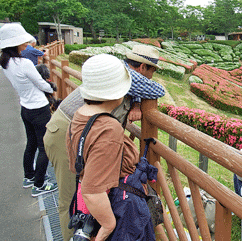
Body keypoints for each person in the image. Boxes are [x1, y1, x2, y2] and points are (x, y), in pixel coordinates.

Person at [43, 44, 165, 241]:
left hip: (77, 127)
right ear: (143, 67)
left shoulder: (108, 72)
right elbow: (158, 90)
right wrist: (108, 225)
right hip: (67, 130)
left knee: (83, 195)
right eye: (152, 70)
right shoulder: (119, 74)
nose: (152, 75)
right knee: (72, 198)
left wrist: (135, 101)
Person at [66, 54, 155, 240]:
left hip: (85, 205)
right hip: (106, 207)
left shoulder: (80, 114)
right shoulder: (109, 127)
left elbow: (77, 167)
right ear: (117, 93)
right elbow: (92, 190)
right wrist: (108, 225)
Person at [0, 23, 58, 197]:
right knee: (44, 147)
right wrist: (51, 88)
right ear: (14, 43)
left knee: (31, 143)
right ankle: (39, 184)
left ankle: (29, 176)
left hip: (25, 108)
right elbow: (41, 83)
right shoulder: (24, 63)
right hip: (39, 109)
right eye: (22, 41)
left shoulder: (6, 63)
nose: (25, 44)